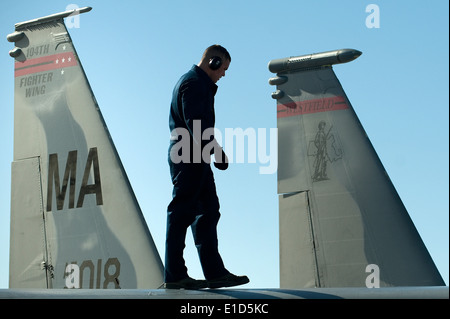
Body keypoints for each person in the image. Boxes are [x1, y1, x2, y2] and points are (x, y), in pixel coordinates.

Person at [164, 45, 249, 289]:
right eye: (223, 68)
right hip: (187, 155)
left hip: (195, 156)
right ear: (212, 62)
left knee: (208, 212)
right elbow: (197, 125)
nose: (223, 74)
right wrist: (217, 150)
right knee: (182, 213)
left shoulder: (198, 84)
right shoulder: (192, 83)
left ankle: (215, 273)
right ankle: (175, 275)